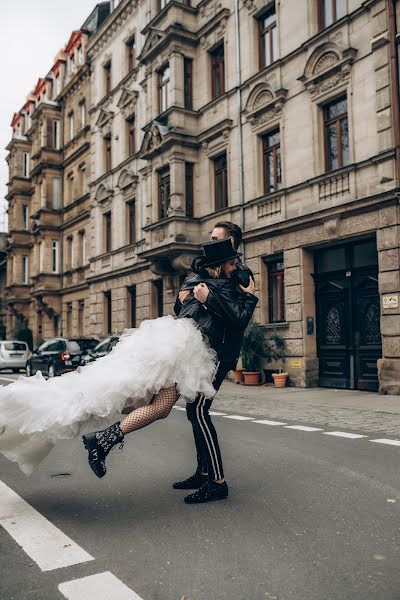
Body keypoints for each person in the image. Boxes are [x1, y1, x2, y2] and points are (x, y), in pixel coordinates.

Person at [0, 239, 256, 482]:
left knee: (147, 403)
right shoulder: (207, 285)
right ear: (219, 266)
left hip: (180, 348)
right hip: (180, 349)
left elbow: (203, 312)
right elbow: (229, 317)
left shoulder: (205, 283)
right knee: (118, 394)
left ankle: (102, 440)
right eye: (231, 263)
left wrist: (202, 299)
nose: (235, 267)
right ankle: (100, 440)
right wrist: (227, 297)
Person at [172, 221, 255, 503]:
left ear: (231, 243)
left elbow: (239, 319)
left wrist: (208, 299)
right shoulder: (204, 269)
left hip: (221, 352)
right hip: (202, 351)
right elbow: (184, 306)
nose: (209, 241)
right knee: (193, 410)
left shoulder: (241, 273)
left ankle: (217, 481)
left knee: (199, 410)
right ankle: (204, 472)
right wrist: (182, 298)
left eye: (216, 238)